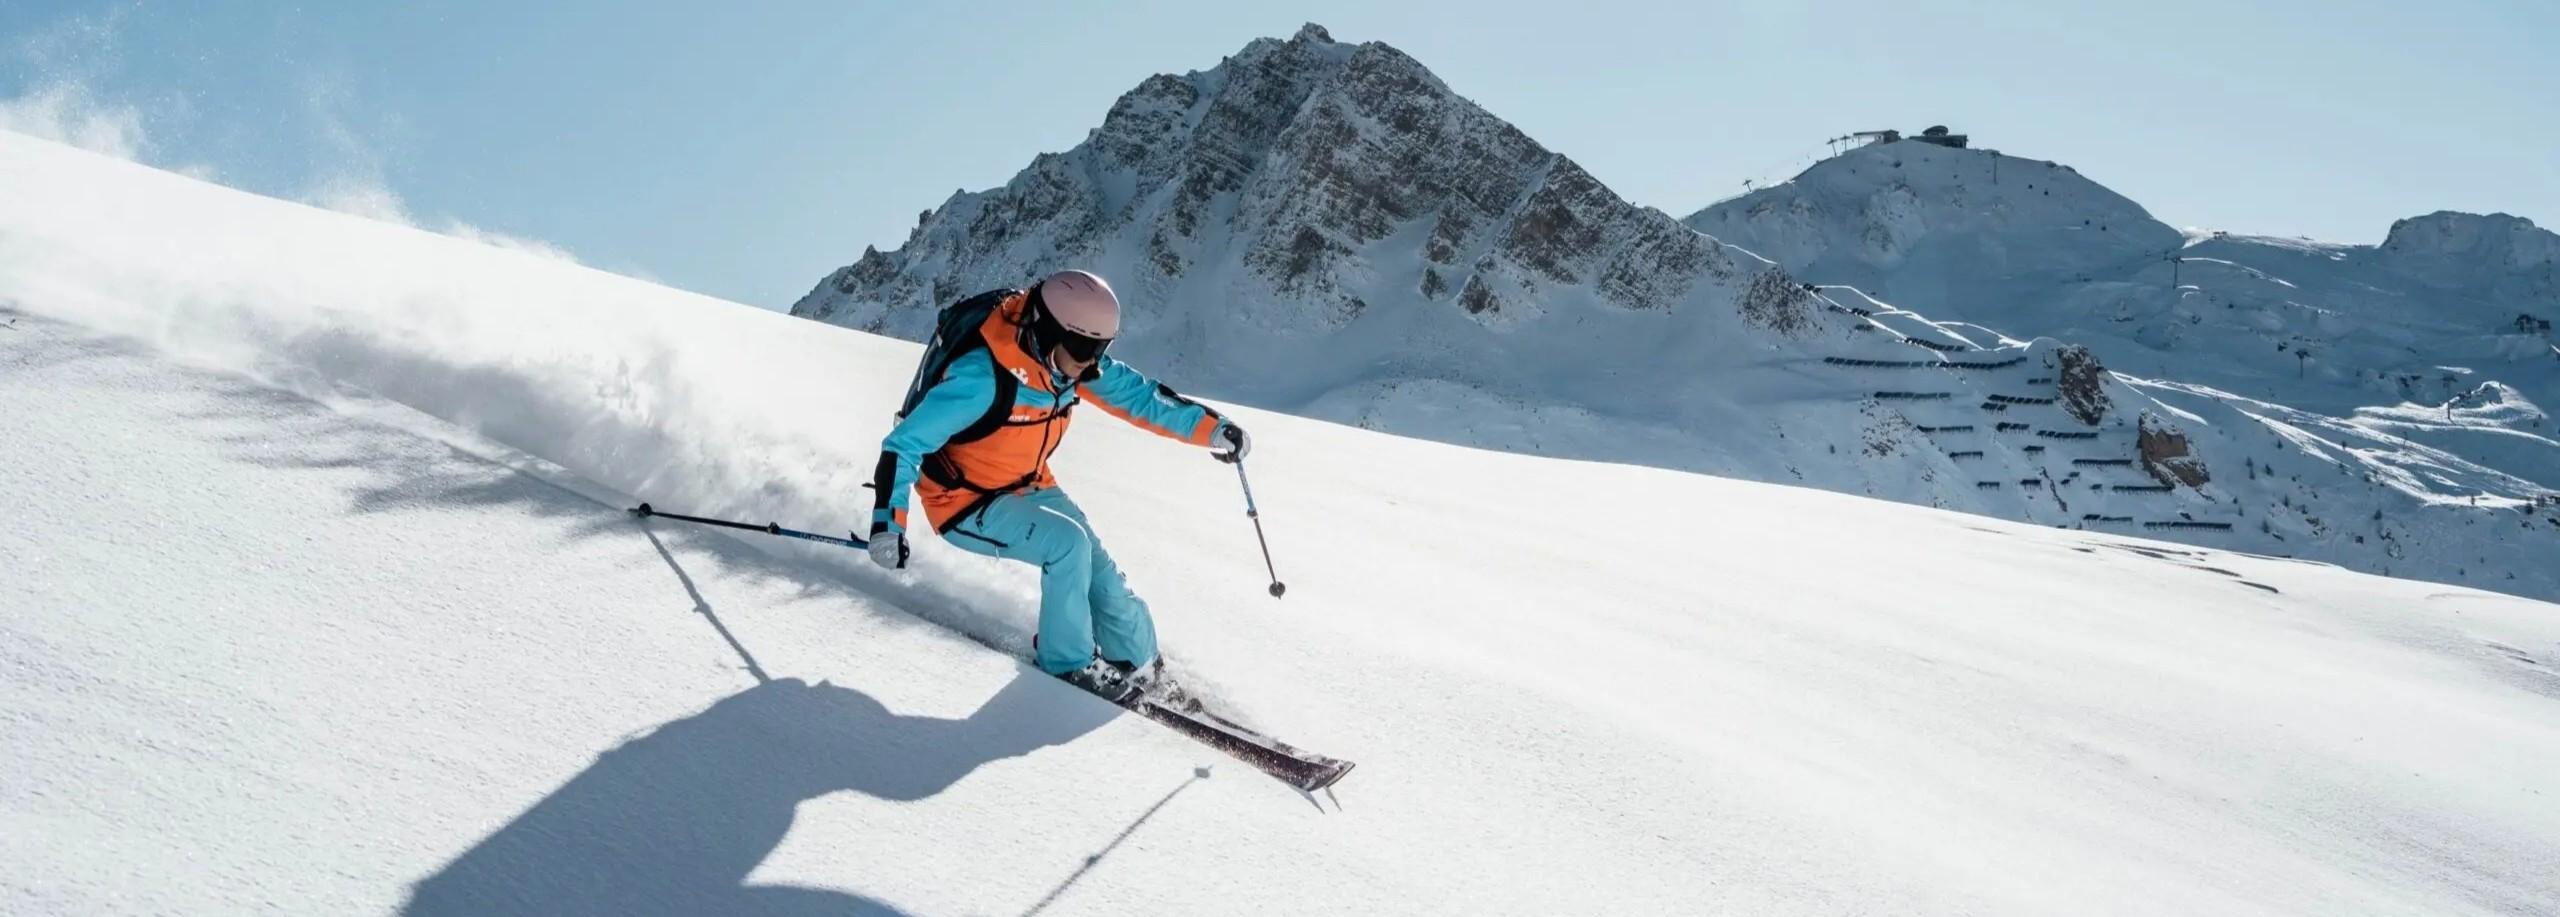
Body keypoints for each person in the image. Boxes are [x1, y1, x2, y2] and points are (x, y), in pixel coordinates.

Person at [866, 269, 1250, 700]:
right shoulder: (982, 378)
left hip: (1029, 484)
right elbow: (904, 444)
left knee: (1100, 571)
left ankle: (1136, 662)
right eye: (1083, 347)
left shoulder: (1069, 365)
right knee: (1067, 545)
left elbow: (1141, 397)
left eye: (1100, 349)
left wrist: (1213, 430)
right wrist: (888, 524)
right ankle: (1066, 666)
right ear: (1046, 331)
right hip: (964, 500)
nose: (1091, 361)